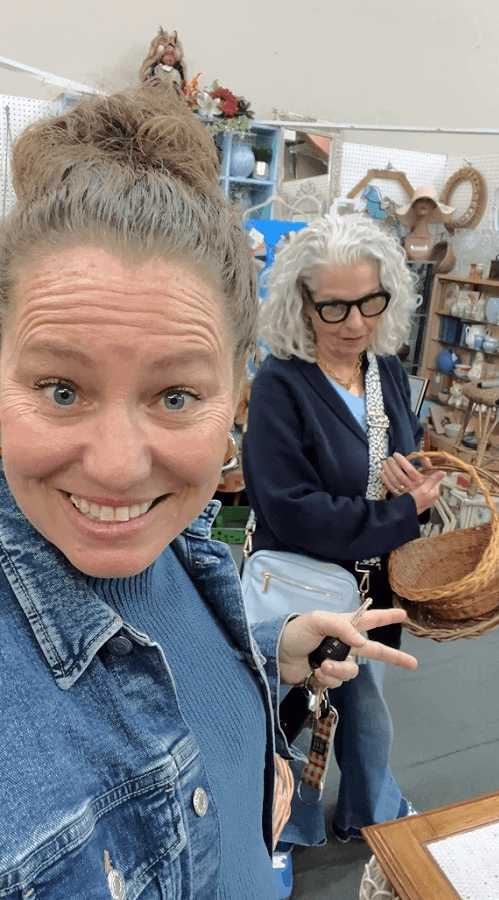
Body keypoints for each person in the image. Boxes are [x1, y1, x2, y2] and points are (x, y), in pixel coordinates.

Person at [0, 87, 418, 900]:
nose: (120, 467)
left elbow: (166, 665)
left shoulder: (189, 547)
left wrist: (267, 662)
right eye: (60, 388)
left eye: (175, 397)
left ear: (234, 389)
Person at [241, 214, 444, 884]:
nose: (354, 322)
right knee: (288, 712)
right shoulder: (281, 384)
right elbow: (289, 511)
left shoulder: (383, 370)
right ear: (301, 302)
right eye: (333, 306)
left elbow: (403, 468)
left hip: (370, 586)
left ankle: (368, 813)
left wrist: (415, 487)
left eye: (369, 302)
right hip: (303, 588)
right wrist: (394, 514)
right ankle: (272, 826)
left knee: (365, 710)